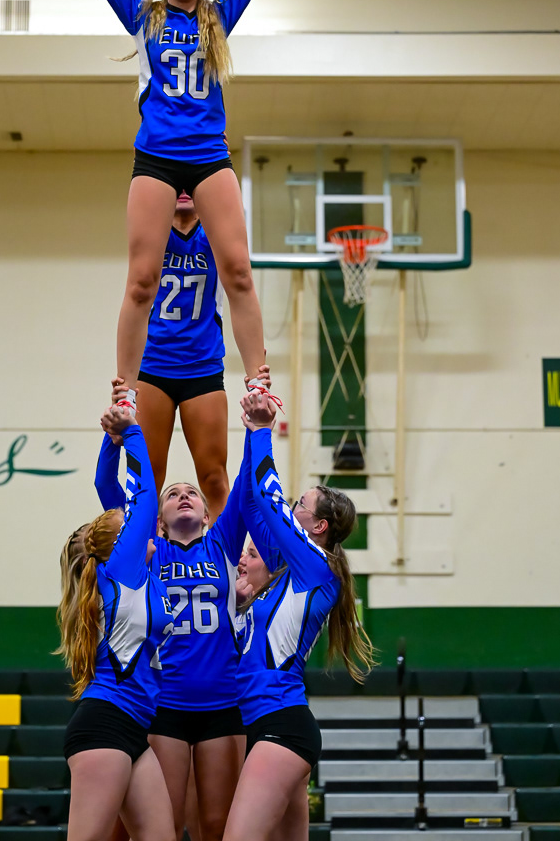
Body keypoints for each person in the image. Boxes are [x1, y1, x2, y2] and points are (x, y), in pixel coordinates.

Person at [31, 0, 298, 412]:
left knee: (239, 271)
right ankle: (125, 392)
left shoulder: (219, 18)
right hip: (155, 158)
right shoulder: (142, 17)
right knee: (142, 281)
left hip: (208, 157)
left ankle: (258, 381)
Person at [222, 392, 375, 841]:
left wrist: (264, 430)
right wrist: (251, 433)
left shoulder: (317, 567)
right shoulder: (292, 564)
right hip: (271, 725)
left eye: (301, 506)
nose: (293, 509)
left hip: (280, 727)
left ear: (319, 526)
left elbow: (269, 504)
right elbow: (252, 505)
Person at [94, 424, 256, 841]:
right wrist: (114, 438)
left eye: (192, 493)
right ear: (158, 520)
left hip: (222, 702)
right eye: (172, 493)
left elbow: (244, 483)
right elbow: (105, 485)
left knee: (218, 827)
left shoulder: (223, 543)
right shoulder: (149, 549)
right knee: (164, 826)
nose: (183, 494)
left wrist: (258, 430)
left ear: (206, 514)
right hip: (164, 705)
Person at [111, 190, 271, 522]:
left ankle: (225, 565)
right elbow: (136, 294)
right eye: (177, 183)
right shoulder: (154, 233)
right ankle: (147, 561)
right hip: (153, 367)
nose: (184, 190)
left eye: (191, 183)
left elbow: (242, 287)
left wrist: (257, 373)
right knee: (146, 482)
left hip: (202, 368)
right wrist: (124, 383)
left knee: (214, 478)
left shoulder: (215, 233)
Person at [55, 405, 175, 841]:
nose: (149, 526)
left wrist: (112, 436)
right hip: (105, 722)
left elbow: (105, 484)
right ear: (118, 545)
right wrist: (134, 431)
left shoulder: (139, 573)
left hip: (133, 728)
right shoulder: (120, 570)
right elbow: (143, 495)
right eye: (135, 527)